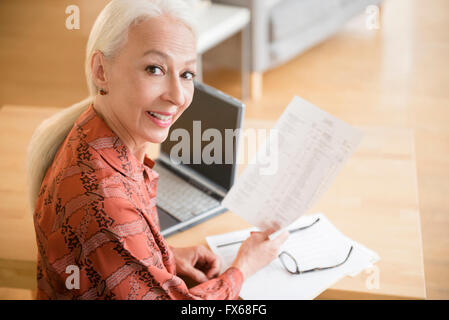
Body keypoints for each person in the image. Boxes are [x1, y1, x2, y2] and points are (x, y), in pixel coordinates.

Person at [27, 0, 288, 300]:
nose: (178, 96)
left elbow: (106, 257)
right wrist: (243, 268)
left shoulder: (91, 134)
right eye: (154, 69)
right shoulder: (106, 202)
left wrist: (163, 255)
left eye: (187, 74)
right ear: (101, 71)